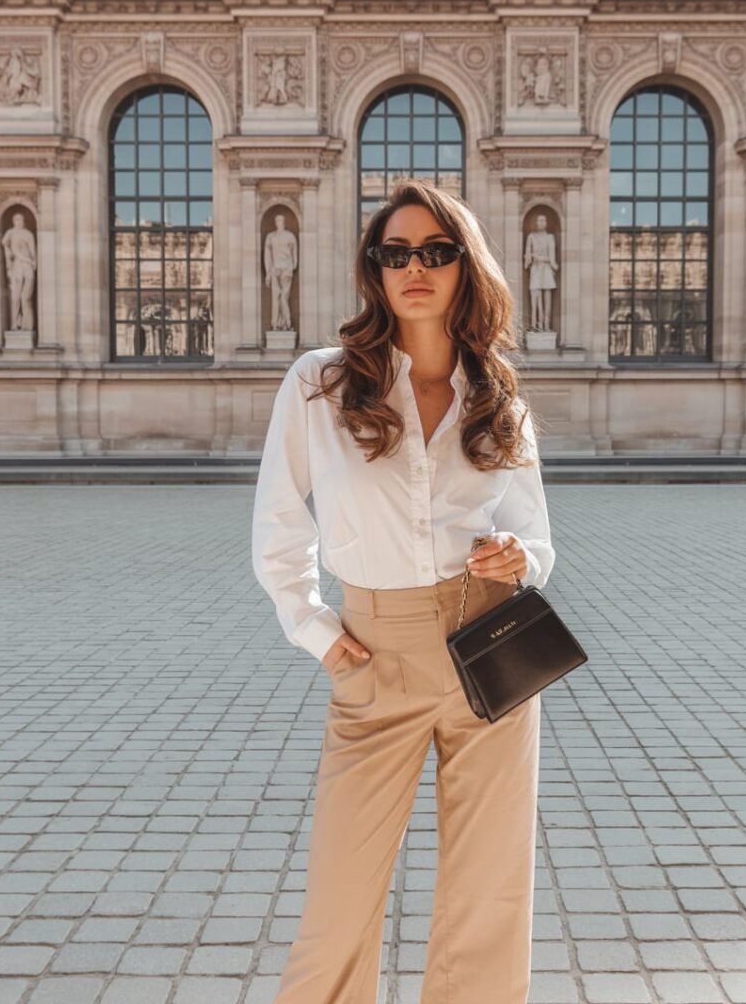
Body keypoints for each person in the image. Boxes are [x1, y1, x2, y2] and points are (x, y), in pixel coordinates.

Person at [252, 177, 556, 1003]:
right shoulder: (321, 383)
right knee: (340, 899)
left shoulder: (497, 395)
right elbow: (279, 524)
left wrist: (514, 558)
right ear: (374, 271)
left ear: (464, 267)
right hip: (373, 652)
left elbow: (538, 539)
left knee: (488, 894)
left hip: (488, 647)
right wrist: (315, 629)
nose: (413, 267)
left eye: (434, 251)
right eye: (395, 254)